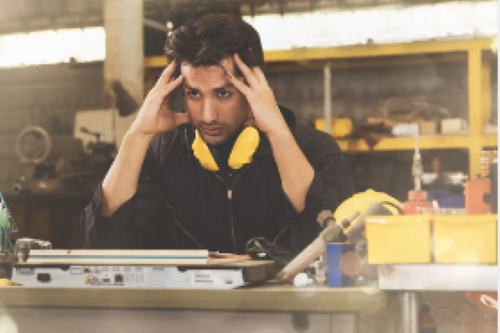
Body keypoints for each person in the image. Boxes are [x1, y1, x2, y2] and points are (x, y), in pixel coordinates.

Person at [82, 13, 355, 254]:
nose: (208, 115)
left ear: (254, 87)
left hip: (290, 310)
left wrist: (279, 135)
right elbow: (102, 247)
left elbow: (337, 248)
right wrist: (137, 136)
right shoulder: (161, 153)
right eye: (194, 94)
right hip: (187, 310)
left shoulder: (314, 148)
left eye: (223, 93)